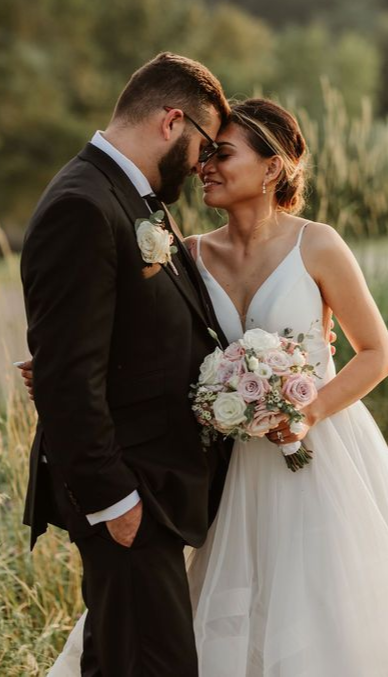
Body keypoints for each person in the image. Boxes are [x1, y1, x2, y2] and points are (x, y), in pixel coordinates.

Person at [184, 98, 388, 675]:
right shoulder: (189, 255)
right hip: (231, 468)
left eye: (222, 154)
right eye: (204, 156)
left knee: (327, 610)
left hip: (321, 456)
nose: (205, 167)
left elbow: (378, 353)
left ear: (273, 168)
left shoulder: (316, 244)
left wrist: (309, 411)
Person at [19, 51, 231, 677]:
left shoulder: (128, 197)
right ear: (173, 121)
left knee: (129, 658)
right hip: (128, 494)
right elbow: (67, 379)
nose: (204, 165)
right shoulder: (82, 204)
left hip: (153, 487)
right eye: (207, 146)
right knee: (148, 662)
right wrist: (115, 502)